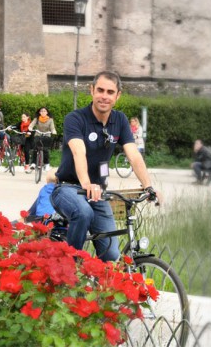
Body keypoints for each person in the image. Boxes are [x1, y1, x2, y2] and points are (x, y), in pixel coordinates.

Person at [51, 71, 158, 262]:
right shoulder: (75, 119)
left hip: (98, 194)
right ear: (91, 90)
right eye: (100, 90)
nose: (104, 96)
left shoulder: (120, 120)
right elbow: (79, 152)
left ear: (117, 96)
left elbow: (133, 154)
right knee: (82, 213)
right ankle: (71, 266)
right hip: (68, 188)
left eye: (110, 92)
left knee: (111, 257)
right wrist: (86, 183)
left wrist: (149, 187)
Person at [28, 107, 57, 172]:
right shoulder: (37, 119)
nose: (43, 112)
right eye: (41, 111)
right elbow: (32, 124)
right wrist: (30, 127)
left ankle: (46, 164)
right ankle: (33, 163)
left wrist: (53, 131)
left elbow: (52, 127)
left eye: (44, 111)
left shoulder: (50, 119)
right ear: (39, 112)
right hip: (38, 134)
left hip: (47, 134)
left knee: (45, 149)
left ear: (47, 112)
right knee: (35, 148)